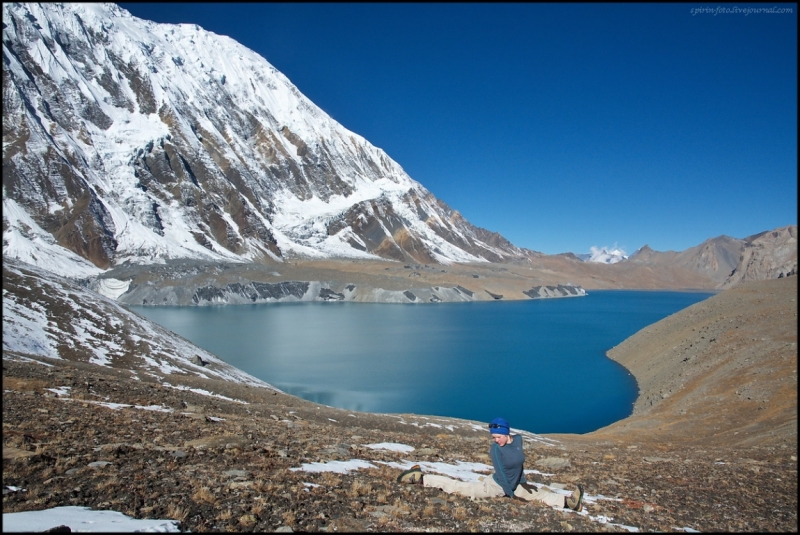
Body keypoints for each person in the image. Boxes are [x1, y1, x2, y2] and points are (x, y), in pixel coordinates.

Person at [397, 417, 584, 511]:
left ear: (507, 433)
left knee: (540, 494)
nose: (497, 440)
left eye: (499, 437)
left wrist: (523, 481)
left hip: (515, 483)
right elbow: (501, 473)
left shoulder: (517, 440)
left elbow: (519, 462)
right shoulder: (495, 450)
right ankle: (421, 478)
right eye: (494, 437)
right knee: (461, 488)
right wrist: (510, 494)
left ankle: (571, 503)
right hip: (497, 486)